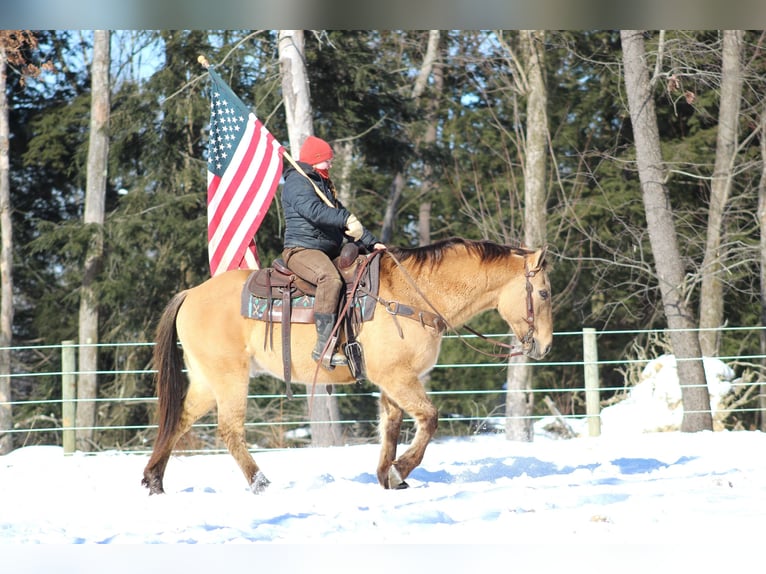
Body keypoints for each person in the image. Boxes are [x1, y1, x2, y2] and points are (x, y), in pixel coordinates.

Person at [281, 135, 386, 367]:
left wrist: (371, 242)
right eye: (328, 160)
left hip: (325, 249)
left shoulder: (322, 184)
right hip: (301, 250)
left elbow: (341, 216)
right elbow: (315, 211)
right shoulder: (297, 182)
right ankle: (323, 346)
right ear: (316, 160)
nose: (330, 164)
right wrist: (345, 217)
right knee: (330, 278)